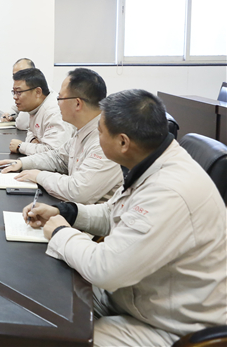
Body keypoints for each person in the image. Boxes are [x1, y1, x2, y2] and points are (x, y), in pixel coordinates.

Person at [24, 89, 226, 347]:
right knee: (48, 298)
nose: (96, 138)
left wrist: (60, 232)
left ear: (123, 142)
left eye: (99, 132)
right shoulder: (153, 160)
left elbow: (105, 269)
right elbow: (114, 212)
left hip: (171, 325)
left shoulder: (169, 191)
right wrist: (66, 212)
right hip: (137, 295)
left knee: (59, 337)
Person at [0, 68, 122, 204]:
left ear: (77, 103)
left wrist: (39, 176)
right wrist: (22, 163)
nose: (57, 102)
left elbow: (78, 192)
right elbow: (58, 157)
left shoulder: (106, 141)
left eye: (60, 98)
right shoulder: (84, 130)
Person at [8, 67, 72, 155]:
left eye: (19, 92)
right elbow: (30, 131)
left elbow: (55, 153)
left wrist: (20, 146)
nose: (14, 97)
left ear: (38, 92)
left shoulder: (54, 112)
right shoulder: (35, 107)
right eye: (14, 92)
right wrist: (33, 141)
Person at [0, 57, 34, 130]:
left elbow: (21, 124)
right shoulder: (23, 90)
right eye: (14, 75)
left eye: (21, 74)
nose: (17, 78)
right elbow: (16, 109)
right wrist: (9, 115)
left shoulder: (35, 91)